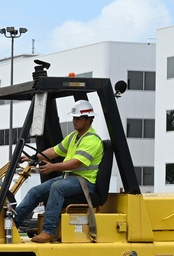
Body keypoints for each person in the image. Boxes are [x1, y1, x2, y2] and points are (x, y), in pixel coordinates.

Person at [12, 99, 105, 244]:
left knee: (57, 188)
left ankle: (48, 231)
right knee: (35, 191)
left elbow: (76, 163)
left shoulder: (92, 140)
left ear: (89, 119)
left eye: (78, 118)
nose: (75, 121)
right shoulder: (74, 137)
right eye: (74, 117)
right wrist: (33, 157)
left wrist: (53, 167)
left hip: (84, 182)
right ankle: (12, 225)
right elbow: (54, 151)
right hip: (69, 178)